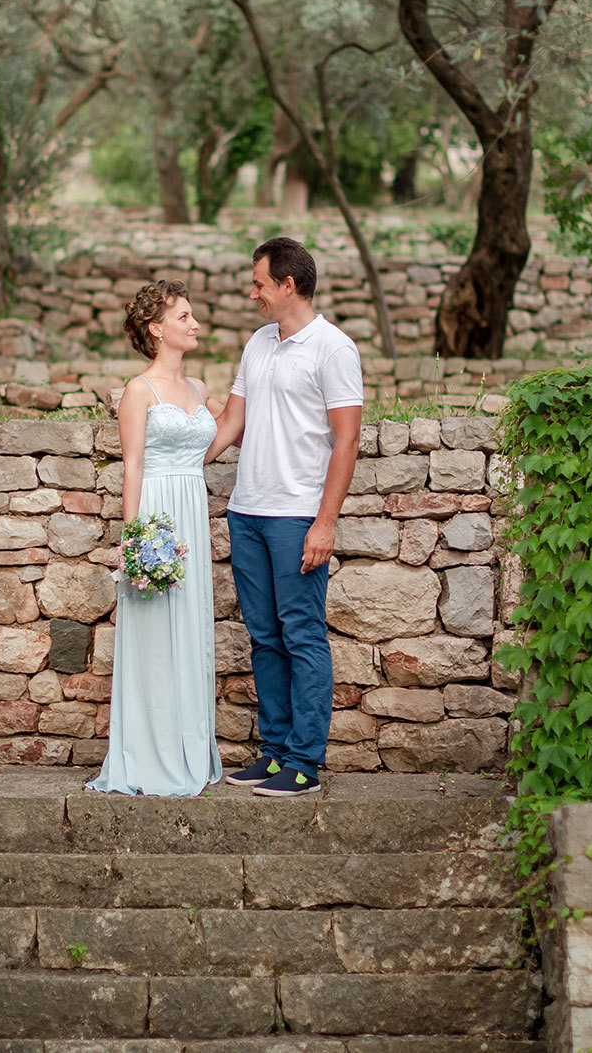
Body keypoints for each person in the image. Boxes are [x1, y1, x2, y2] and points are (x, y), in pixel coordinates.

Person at [205, 236, 363, 797]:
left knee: (302, 636)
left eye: (259, 285)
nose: (254, 295)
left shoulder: (333, 349)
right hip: (247, 512)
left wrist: (326, 522)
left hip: (297, 516)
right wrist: (180, 463)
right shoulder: (257, 343)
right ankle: (273, 754)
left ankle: (304, 762)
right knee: (265, 638)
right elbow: (232, 422)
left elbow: (346, 441)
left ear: (288, 285)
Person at [87, 280, 225, 796]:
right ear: (157, 329)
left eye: (192, 315)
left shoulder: (200, 389)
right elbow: (133, 466)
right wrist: (135, 540)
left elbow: (231, 424)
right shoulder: (139, 390)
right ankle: (149, 755)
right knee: (154, 636)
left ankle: (188, 747)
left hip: (192, 505)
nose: (195, 324)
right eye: (183, 316)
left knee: (190, 627)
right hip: (158, 515)